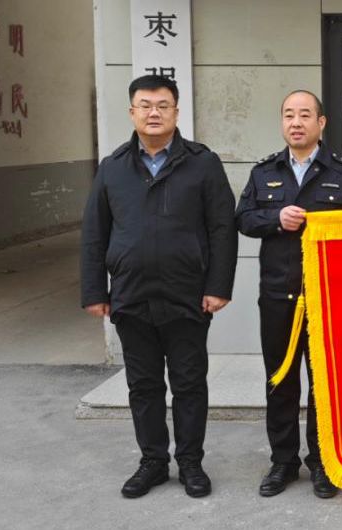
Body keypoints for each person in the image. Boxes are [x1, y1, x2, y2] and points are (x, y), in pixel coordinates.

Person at [80, 75, 238, 499]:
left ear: (176, 112)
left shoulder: (202, 163)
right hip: (131, 295)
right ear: (132, 112)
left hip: (188, 295)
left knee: (189, 383)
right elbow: (95, 232)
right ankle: (152, 461)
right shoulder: (112, 167)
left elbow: (222, 228)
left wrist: (218, 285)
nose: (154, 113)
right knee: (143, 385)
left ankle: (190, 462)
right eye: (145, 105)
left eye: (163, 105)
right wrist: (95, 291)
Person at [236, 90, 342, 499]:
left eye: (305, 115)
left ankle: (323, 462)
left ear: (320, 123)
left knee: (325, 384)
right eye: (289, 115)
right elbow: (243, 219)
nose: (296, 122)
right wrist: (276, 218)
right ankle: (283, 462)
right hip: (279, 296)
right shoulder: (264, 172)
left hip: (328, 297)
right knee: (280, 381)